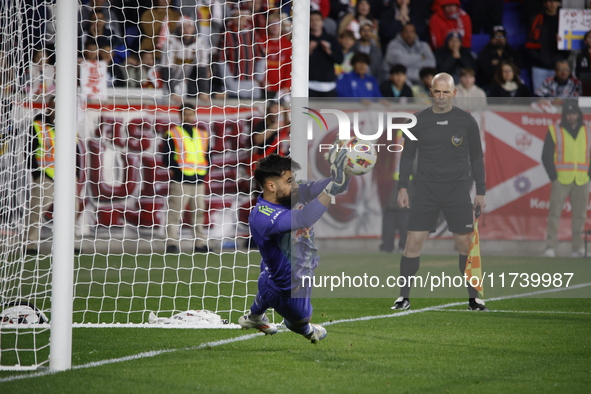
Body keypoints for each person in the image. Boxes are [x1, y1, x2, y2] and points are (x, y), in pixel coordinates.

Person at [393, 72, 487, 311]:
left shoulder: (466, 121)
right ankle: (403, 297)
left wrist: (481, 191)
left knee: (465, 244)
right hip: (425, 190)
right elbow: (407, 156)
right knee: (412, 243)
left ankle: (474, 298)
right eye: (437, 91)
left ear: (454, 93)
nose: (442, 96)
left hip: (457, 190)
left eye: (446, 92)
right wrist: (403, 187)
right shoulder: (418, 121)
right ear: (431, 92)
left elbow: (477, 157)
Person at [238, 152, 350, 342]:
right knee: (299, 321)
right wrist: (331, 189)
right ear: (271, 186)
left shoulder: (294, 194)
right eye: (290, 181)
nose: (296, 185)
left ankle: (254, 317)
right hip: (287, 289)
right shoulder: (262, 216)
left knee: (270, 271)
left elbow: (337, 185)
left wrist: (345, 171)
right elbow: (304, 217)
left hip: (275, 274)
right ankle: (306, 329)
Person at [26, 96, 80, 255]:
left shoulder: (70, 126)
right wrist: (36, 173)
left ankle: (72, 242)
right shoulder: (38, 126)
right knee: (36, 210)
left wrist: (76, 174)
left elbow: (76, 153)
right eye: (55, 107)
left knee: (73, 210)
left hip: (67, 176)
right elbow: (29, 151)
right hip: (46, 174)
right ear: (49, 108)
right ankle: (31, 244)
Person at [541, 100, 590, 258]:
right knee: (554, 213)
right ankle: (550, 247)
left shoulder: (588, 131)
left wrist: (589, 175)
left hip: (582, 180)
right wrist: (553, 177)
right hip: (561, 179)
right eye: (568, 114)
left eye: (574, 113)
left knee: (580, 215)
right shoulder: (555, 130)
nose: (571, 116)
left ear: (579, 114)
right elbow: (546, 155)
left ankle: (578, 248)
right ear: (564, 115)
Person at [161, 104, 210, 254]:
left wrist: (203, 172)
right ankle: (172, 243)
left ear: (195, 115)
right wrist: (176, 170)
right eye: (185, 114)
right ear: (180, 115)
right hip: (180, 179)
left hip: (198, 179)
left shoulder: (202, 134)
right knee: (175, 213)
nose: (188, 117)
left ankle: (200, 243)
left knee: (199, 212)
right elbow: (166, 156)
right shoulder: (172, 133)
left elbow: (207, 155)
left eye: (190, 114)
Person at [526, 0, 568, 92]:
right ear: (544, 3)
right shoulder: (536, 19)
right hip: (539, 66)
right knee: (539, 96)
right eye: (549, 1)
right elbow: (531, 41)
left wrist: (563, 43)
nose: (552, 4)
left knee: (559, 97)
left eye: (555, 1)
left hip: (558, 66)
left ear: (558, 3)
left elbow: (569, 46)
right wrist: (537, 59)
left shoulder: (565, 20)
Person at [309, 10, 343, 97]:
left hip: (329, 85)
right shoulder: (304, 39)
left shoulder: (331, 39)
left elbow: (340, 60)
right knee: (308, 111)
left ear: (322, 22)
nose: (314, 22)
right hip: (309, 84)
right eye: (311, 20)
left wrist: (329, 51)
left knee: (327, 110)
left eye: (317, 20)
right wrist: (308, 50)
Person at [574, 30, 591, 96]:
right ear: (585, 41)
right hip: (584, 85)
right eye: (590, 37)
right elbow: (576, 71)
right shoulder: (580, 55)